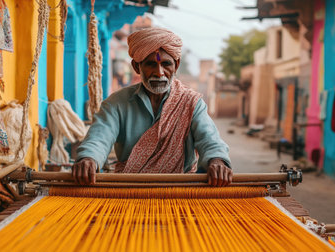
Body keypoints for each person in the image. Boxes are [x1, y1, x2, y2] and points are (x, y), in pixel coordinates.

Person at [73, 27, 232, 186]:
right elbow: (99, 138)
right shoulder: (116, 104)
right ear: (136, 67)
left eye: (166, 64)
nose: (159, 73)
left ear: (176, 65)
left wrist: (217, 160)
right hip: (128, 190)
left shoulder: (191, 103)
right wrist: (89, 158)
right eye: (150, 64)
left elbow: (210, 139)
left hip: (180, 190)